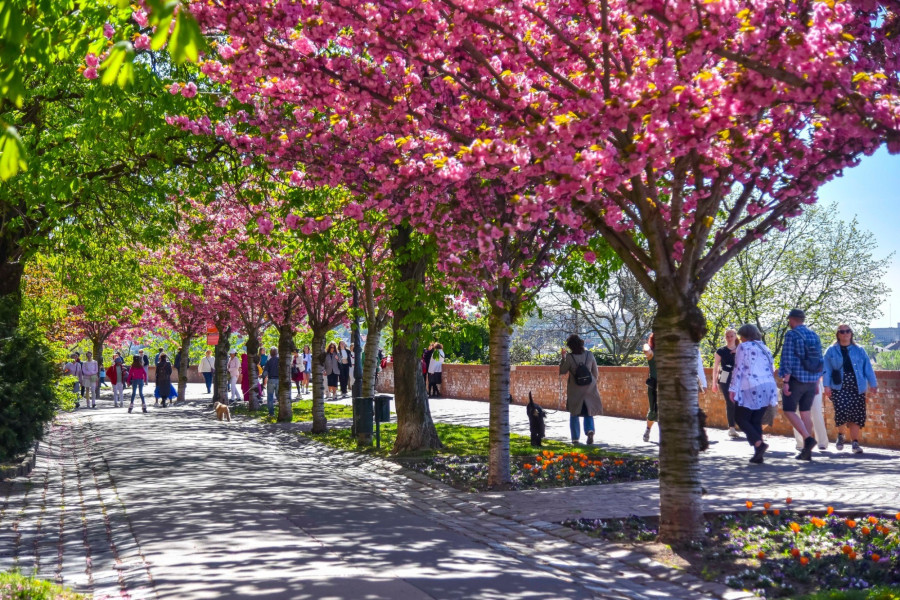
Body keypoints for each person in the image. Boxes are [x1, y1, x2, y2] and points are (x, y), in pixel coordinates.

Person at [824, 324, 878, 454]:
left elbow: (868, 368)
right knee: (841, 411)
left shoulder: (859, 350)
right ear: (838, 334)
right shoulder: (831, 350)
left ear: (851, 333)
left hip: (856, 385)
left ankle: (855, 443)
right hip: (839, 386)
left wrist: (873, 384)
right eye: (842, 332)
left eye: (848, 331)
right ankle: (841, 435)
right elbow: (826, 369)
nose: (845, 334)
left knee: (856, 414)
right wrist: (826, 386)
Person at [729, 324, 779, 464]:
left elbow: (738, 369)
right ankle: (758, 454)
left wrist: (733, 388)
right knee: (755, 419)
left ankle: (759, 444)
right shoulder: (765, 348)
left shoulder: (743, 347)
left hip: (751, 385)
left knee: (740, 417)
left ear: (744, 336)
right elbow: (771, 368)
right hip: (768, 385)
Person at [778, 308, 824, 461]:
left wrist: (785, 381)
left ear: (791, 319)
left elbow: (787, 359)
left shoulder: (792, 334)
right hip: (811, 381)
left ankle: (807, 438)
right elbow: (820, 361)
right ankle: (806, 451)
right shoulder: (814, 335)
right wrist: (817, 381)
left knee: (789, 410)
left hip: (796, 379)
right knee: (805, 413)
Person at [559, 335, 603, 445]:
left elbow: (562, 371)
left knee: (574, 413)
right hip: (590, 388)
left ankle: (575, 438)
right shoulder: (589, 354)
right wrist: (592, 383)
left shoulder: (569, 357)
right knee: (589, 412)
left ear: (570, 346)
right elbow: (595, 372)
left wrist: (563, 357)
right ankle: (589, 430)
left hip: (575, 389)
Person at [712, 329, 741, 439]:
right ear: (725, 337)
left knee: (739, 401)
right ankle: (732, 428)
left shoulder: (740, 349)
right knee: (730, 401)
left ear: (735, 336)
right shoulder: (721, 351)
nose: (729, 338)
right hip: (724, 376)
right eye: (727, 336)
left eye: (731, 336)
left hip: (738, 377)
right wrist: (714, 383)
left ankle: (742, 425)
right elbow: (716, 367)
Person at [642, 334, 658, 442]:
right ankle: (648, 429)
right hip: (654, 386)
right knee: (653, 411)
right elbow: (646, 350)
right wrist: (648, 346)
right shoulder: (652, 353)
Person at [262, 347, 280, 416]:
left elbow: (265, 374)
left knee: (270, 397)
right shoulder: (280, 360)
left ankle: (271, 413)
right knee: (279, 397)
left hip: (271, 380)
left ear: (270, 353)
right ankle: (281, 411)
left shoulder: (268, 362)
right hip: (278, 380)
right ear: (277, 353)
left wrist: (262, 376)